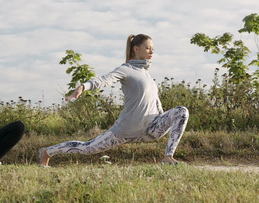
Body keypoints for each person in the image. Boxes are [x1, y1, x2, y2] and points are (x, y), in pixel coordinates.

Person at [39, 34, 189, 167]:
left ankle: (168, 157)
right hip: (126, 129)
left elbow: (156, 102)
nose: (152, 52)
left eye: (153, 49)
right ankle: (47, 152)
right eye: (148, 48)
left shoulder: (147, 75)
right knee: (87, 148)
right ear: (136, 49)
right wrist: (84, 86)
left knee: (181, 111)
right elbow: (104, 80)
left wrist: (163, 119)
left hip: (151, 129)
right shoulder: (126, 69)